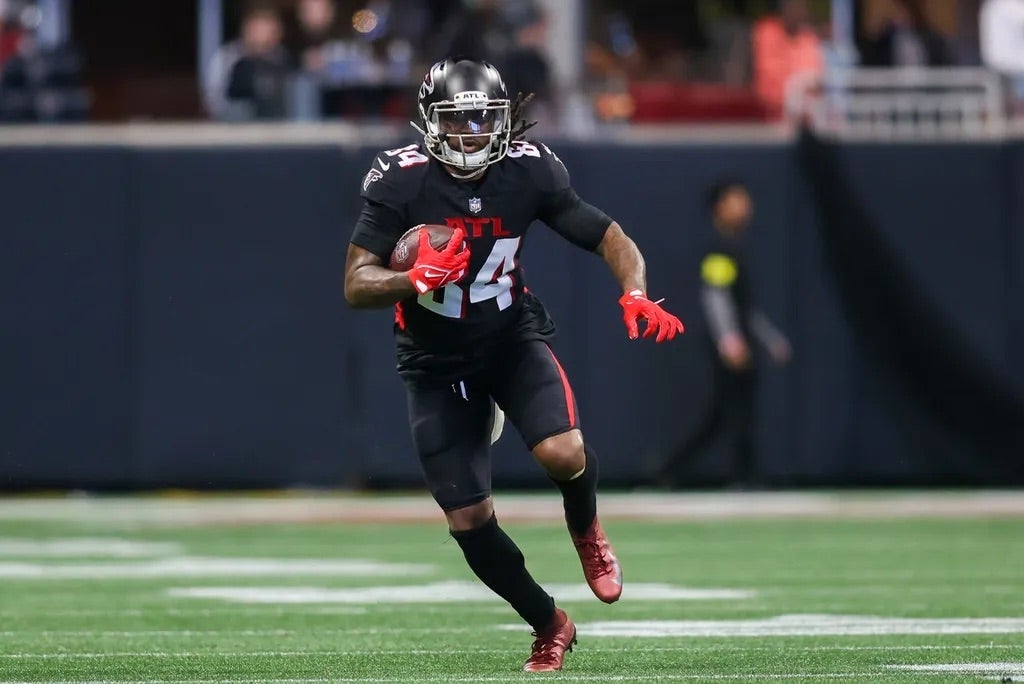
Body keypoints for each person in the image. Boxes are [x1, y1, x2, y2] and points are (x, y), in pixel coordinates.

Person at [343, 57, 684, 673]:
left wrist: (634, 290)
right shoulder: (400, 179)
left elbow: (608, 234)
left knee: (564, 453)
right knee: (468, 519)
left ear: (505, 120)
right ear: (431, 122)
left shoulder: (528, 169)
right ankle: (549, 624)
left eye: (484, 120)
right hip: (434, 359)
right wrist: (410, 278)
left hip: (508, 338)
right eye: (459, 120)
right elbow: (355, 283)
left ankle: (586, 530)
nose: (473, 134)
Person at [659, 180, 790, 490]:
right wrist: (729, 340)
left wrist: (770, 340)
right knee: (732, 412)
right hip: (731, 347)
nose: (745, 205)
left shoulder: (735, 246)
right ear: (719, 207)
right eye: (736, 199)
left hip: (742, 342)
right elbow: (715, 296)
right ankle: (740, 477)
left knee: (726, 414)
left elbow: (746, 308)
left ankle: (674, 471)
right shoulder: (719, 248)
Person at [751, 0, 823, 120]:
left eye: (802, 6)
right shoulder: (767, 32)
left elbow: (814, 77)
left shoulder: (809, 38)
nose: (799, 10)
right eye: (794, 5)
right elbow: (769, 82)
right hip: (770, 115)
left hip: (808, 117)